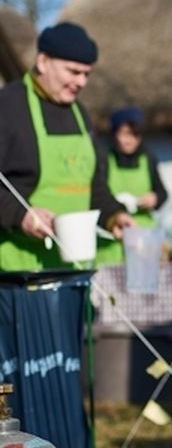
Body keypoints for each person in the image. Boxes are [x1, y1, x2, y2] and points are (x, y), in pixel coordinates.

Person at [0, 21, 134, 270]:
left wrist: (114, 216)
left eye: (86, 74)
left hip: (75, 268)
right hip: (16, 272)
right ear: (43, 62)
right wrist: (20, 215)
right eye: (73, 72)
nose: (81, 82)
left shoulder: (80, 114)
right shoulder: (7, 107)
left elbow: (93, 188)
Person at [95, 106, 168, 265]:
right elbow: (96, 194)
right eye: (124, 134)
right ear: (114, 134)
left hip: (142, 239)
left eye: (135, 135)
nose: (129, 140)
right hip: (112, 239)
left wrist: (154, 198)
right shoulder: (104, 159)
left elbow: (162, 193)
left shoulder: (147, 158)